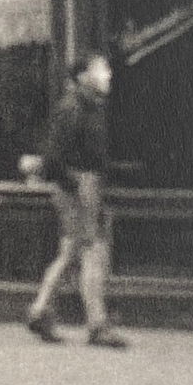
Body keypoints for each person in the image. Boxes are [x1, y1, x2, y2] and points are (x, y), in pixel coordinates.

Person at [25, 52, 127, 348]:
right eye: (102, 70)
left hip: (80, 184)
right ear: (83, 76)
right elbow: (56, 155)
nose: (108, 75)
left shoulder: (86, 106)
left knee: (71, 251)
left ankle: (40, 310)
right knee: (93, 250)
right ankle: (97, 325)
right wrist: (75, 189)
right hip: (79, 185)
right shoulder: (74, 107)